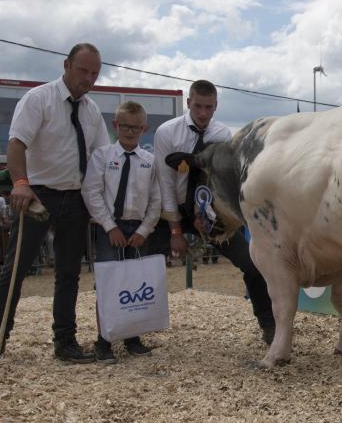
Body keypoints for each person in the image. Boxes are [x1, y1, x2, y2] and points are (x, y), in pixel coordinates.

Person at [0, 43, 110, 365]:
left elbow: (102, 158)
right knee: (16, 269)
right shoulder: (39, 99)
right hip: (38, 195)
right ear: (66, 65)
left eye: (94, 73)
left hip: (76, 198)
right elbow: (17, 143)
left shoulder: (91, 111)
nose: (88, 79)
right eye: (83, 71)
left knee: (69, 273)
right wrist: (21, 183)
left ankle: (65, 341)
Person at [152, 79, 275, 344]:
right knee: (141, 260)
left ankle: (269, 326)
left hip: (209, 217)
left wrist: (209, 217)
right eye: (198, 106)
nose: (203, 113)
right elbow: (164, 181)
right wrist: (175, 229)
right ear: (188, 103)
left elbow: (223, 184)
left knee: (252, 265)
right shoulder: (166, 133)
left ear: (216, 107)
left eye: (209, 107)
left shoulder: (223, 136)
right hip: (170, 211)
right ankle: (129, 331)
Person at [82, 101, 161, 363]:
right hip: (110, 228)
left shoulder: (150, 161)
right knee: (108, 284)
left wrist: (145, 230)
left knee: (136, 283)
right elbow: (91, 192)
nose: (130, 131)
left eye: (136, 127)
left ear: (144, 129)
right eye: (125, 126)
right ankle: (104, 341)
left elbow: (156, 200)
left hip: (138, 230)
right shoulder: (102, 156)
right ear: (115, 125)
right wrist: (110, 226)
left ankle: (132, 338)